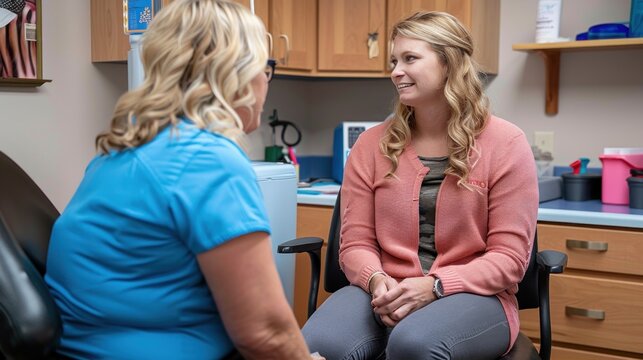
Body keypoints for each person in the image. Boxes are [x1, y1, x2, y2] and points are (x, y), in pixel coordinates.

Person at [44, 1, 315, 359]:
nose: (266, 80)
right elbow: (265, 333)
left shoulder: (123, 148)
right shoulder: (208, 159)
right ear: (235, 74)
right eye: (263, 67)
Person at [302, 11, 538, 360]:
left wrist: (435, 286)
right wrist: (375, 281)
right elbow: (355, 243)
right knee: (313, 345)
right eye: (394, 60)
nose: (396, 71)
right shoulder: (370, 145)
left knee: (414, 343)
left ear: (449, 63)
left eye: (410, 58)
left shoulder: (505, 143)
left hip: (475, 296)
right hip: (383, 290)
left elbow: (509, 259)